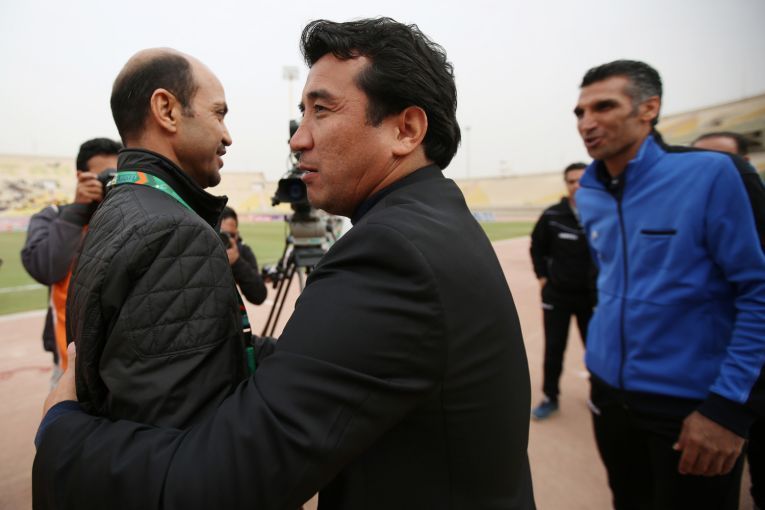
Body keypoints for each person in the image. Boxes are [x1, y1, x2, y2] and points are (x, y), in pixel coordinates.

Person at [33, 18, 536, 510]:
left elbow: (224, 482)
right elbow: (343, 363)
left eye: (322, 110)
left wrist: (62, 429)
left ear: (405, 130)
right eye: (303, 113)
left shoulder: (391, 253)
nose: (298, 140)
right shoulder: (427, 222)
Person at [573, 59, 765, 509]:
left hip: (690, 405)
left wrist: (729, 409)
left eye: (604, 106)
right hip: (610, 396)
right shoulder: (591, 192)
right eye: (580, 112)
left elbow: (759, 291)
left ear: (649, 108)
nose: (587, 123)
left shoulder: (715, 175)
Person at [692, 131, 765, 510]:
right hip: (717, 387)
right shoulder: (696, 219)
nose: (705, 171)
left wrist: (731, 409)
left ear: (746, 166)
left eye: (719, 162)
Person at [21, 137, 121, 383]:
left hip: (116, 366)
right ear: (81, 177)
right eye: (102, 176)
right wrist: (77, 211)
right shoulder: (54, 216)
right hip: (68, 366)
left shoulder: (125, 217)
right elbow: (45, 269)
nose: (109, 182)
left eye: (115, 176)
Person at [529, 162, 596, 420]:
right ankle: (550, 397)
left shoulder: (604, 211)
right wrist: (542, 277)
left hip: (592, 297)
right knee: (554, 348)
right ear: (566, 185)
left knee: (596, 349)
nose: (577, 185)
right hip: (557, 295)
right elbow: (537, 247)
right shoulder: (552, 215)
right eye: (571, 181)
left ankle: (598, 395)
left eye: (582, 180)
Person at [220, 206, 267, 305]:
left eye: (231, 235)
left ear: (237, 235)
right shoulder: (199, 247)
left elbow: (259, 296)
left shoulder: (242, 251)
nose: (226, 240)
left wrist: (237, 262)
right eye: (221, 235)